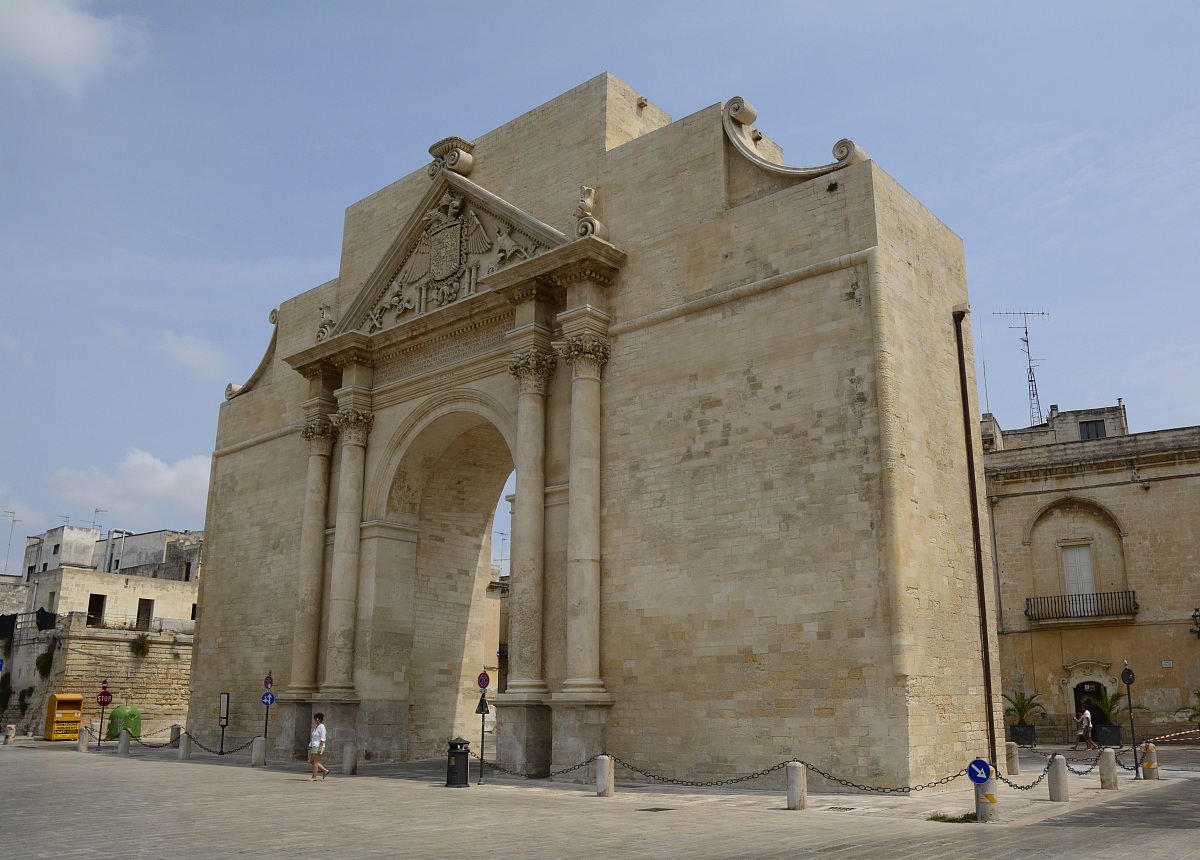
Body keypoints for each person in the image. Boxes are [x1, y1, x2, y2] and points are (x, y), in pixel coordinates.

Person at [309, 713, 330, 780]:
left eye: (316, 719)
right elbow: (314, 737)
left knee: (315, 761)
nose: (315, 720)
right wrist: (310, 745)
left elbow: (322, 737)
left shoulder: (322, 727)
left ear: (320, 719)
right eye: (314, 719)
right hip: (314, 745)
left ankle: (314, 777)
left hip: (318, 745)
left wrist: (320, 747)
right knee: (312, 761)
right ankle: (324, 770)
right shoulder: (316, 727)